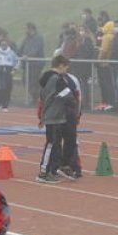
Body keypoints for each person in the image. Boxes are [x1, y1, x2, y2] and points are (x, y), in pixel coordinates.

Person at [36, 55, 74, 184]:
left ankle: (51, 171)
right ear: (61, 65)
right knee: (51, 144)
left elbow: (43, 98)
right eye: (66, 67)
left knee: (54, 145)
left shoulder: (46, 79)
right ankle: (43, 172)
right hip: (55, 116)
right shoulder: (57, 79)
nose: (67, 71)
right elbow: (67, 94)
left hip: (51, 115)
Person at [19, 23, 45, 104]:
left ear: (31, 29)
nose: (25, 31)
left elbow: (36, 50)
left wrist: (28, 56)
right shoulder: (26, 39)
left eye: (26, 29)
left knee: (34, 81)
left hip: (36, 64)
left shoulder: (39, 38)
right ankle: (35, 97)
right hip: (27, 64)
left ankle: (37, 98)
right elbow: (21, 49)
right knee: (25, 80)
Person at [0, 39, 19, 112]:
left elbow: (17, 61)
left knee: (8, 89)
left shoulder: (12, 53)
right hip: (1, 72)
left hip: (9, 71)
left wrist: (14, 69)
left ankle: (5, 105)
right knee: (2, 88)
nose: (4, 46)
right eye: (2, 45)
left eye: (5, 45)